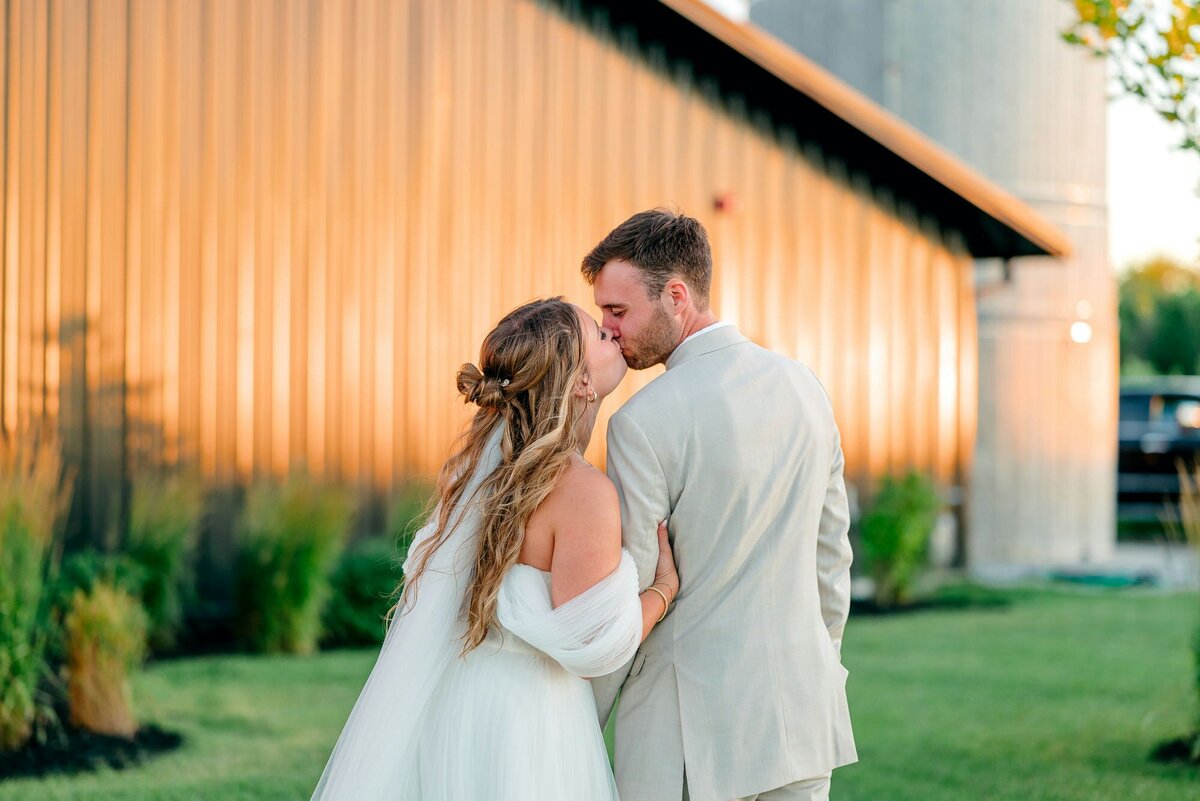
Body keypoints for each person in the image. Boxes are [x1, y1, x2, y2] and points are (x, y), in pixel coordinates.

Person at [310, 297, 680, 801]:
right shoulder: (582, 492)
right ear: (580, 383)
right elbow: (594, 642)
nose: (612, 334)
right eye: (598, 333)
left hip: (457, 702)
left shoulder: (475, 479)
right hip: (527, 722)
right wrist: (661, 591)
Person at [582, 209, 857, 801]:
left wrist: (573, 725)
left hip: (686, 740)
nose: (607, 329)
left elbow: (629, 591)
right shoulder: (805, 386)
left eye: (618, 311)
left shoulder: (640, 424)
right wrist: (820, 665)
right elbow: (832, 558)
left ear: (676, 295)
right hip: (801, 719)